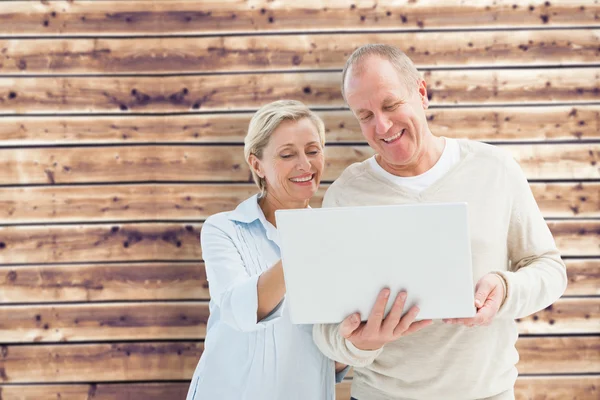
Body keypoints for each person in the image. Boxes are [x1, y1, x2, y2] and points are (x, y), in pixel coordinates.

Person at [312, 44, 568, 400]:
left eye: (390, 105)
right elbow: (323, 328)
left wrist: (504, 290)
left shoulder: (494, 169)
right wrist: (357, 344)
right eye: (365, 115)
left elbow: (550, 270)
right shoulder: (345, 196)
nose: (381, 126)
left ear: (421, 92)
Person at [186, 100, 349, 400]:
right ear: (256, 164)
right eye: (287, 154)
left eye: (313, 151)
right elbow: (239, 310)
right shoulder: (224, 229)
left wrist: (358, 341)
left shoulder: (336, 236)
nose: (305, 164)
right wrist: (308, 244)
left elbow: (336, 354)